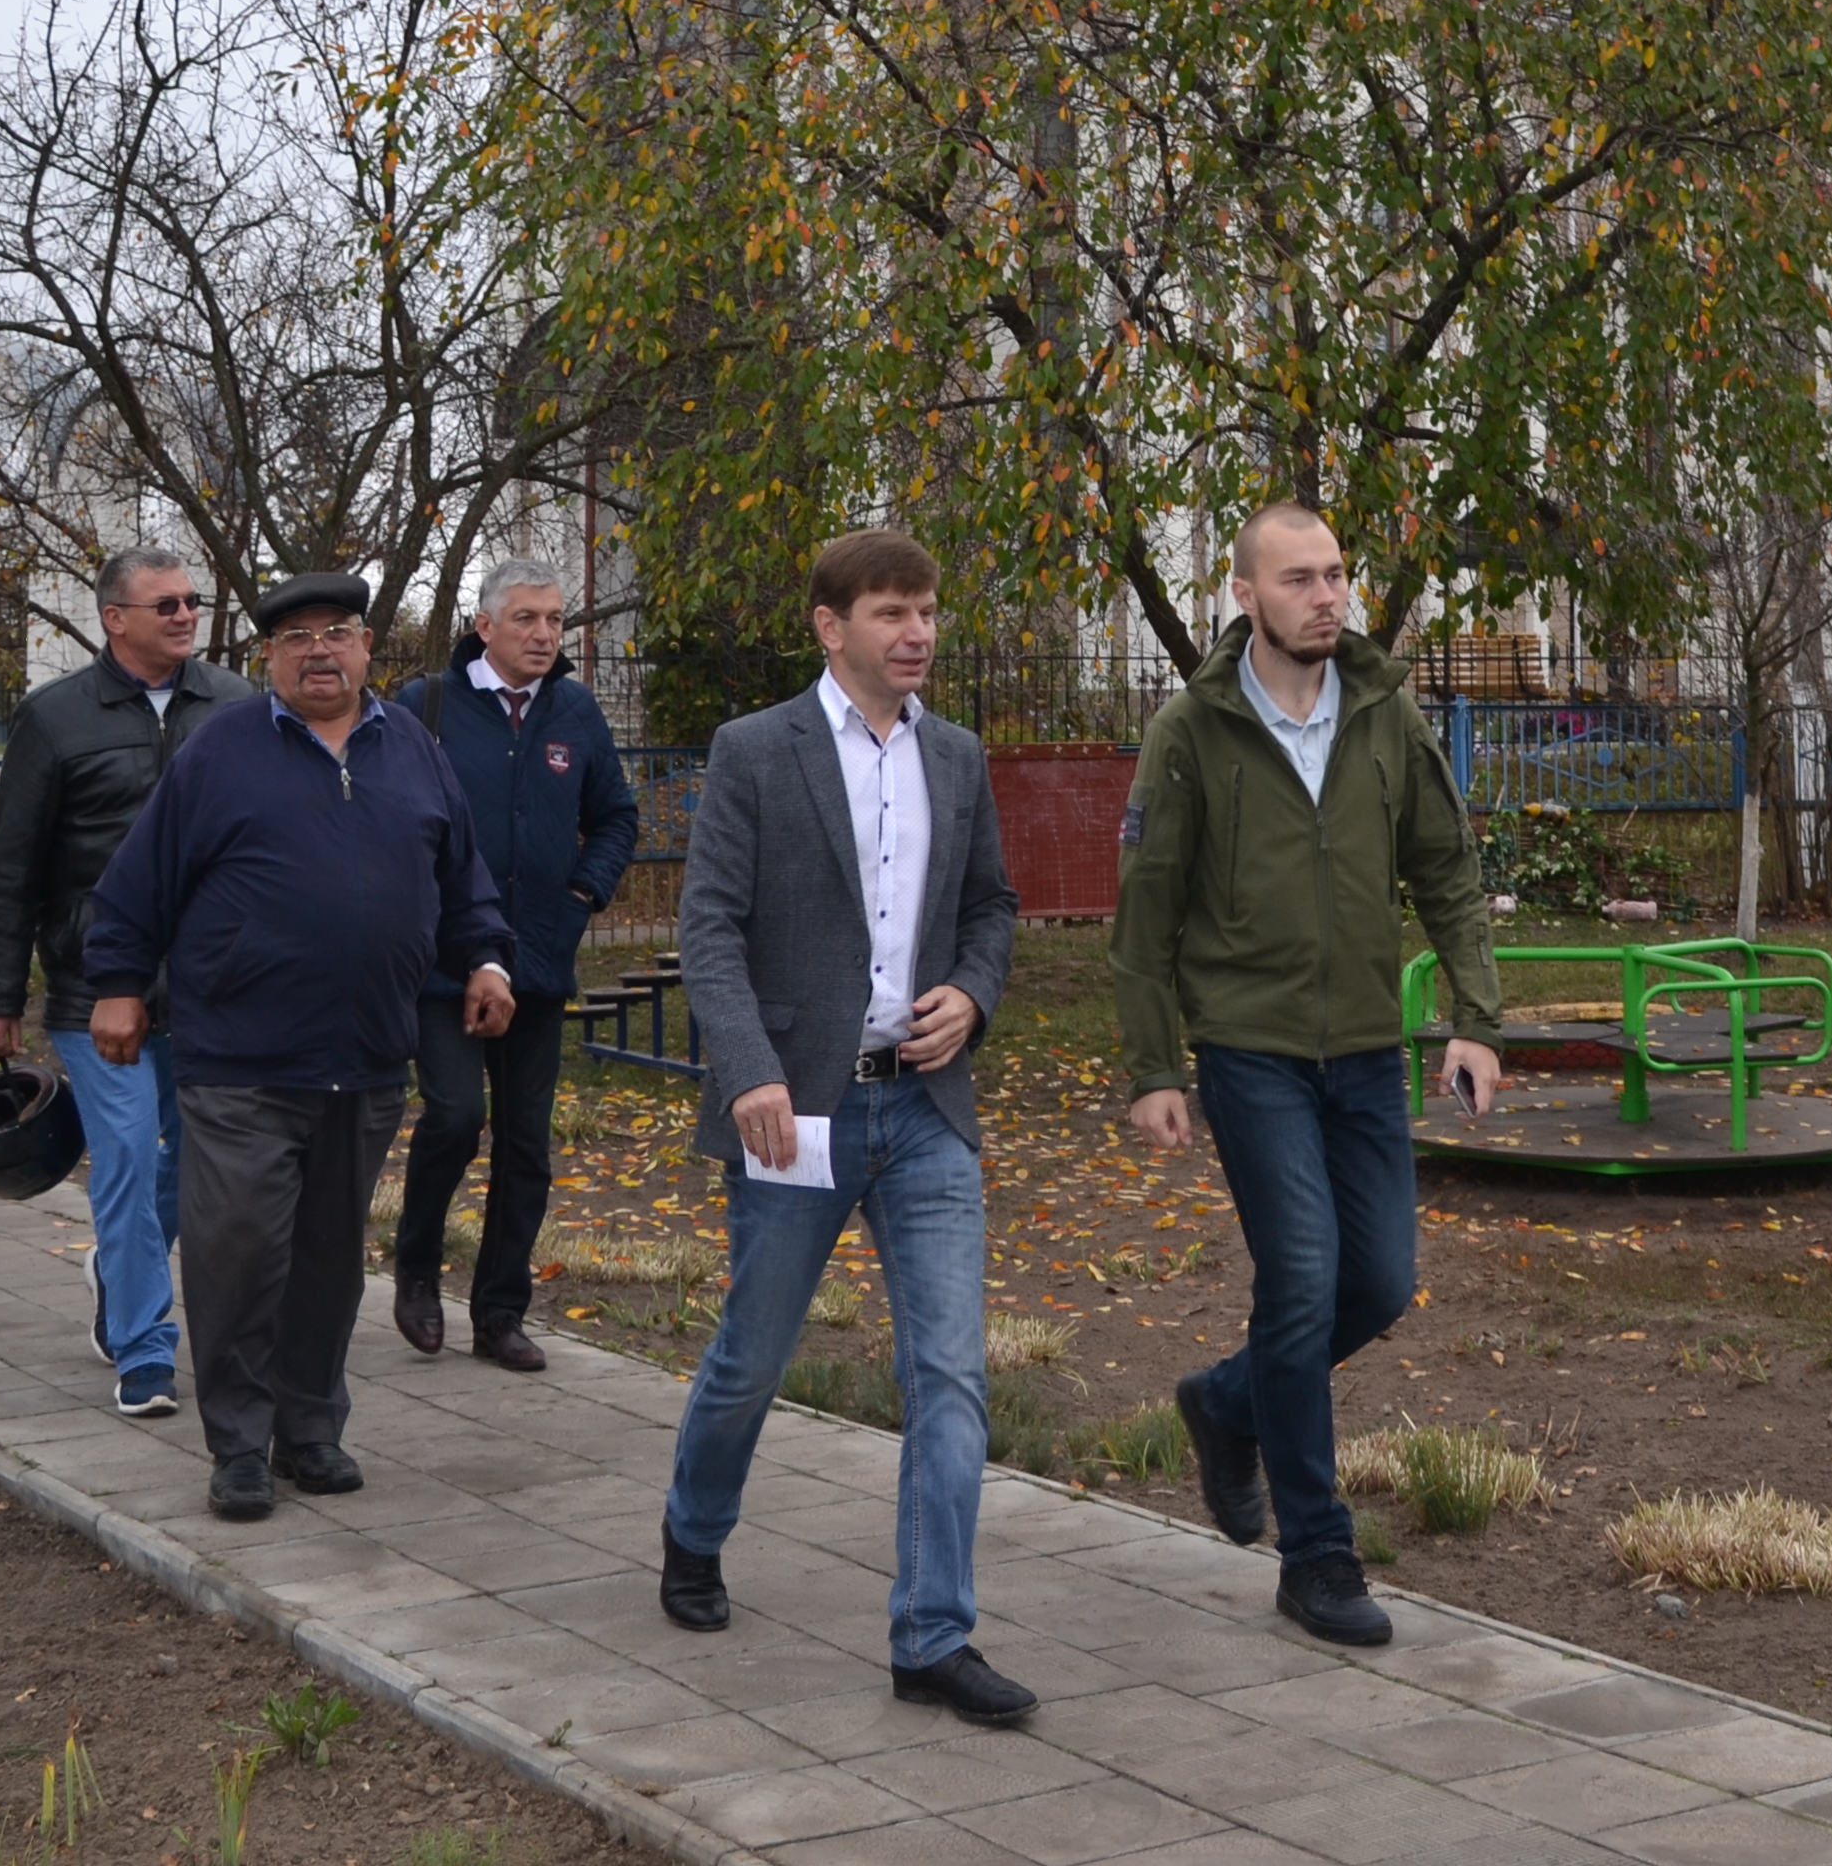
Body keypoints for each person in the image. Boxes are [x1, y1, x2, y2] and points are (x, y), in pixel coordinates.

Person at [656, 529, 1031, 1726]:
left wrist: (971, 993)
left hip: (923, 1109)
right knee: (753, 1357)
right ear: (832, 626)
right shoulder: (756, 752)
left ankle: (932, 1636)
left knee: (949, 1375)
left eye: (926, 611)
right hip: (797, 1117)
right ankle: (693, 1530)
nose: (917, 632)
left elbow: (991, 907)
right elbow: (707, 927)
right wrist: (751, 1072)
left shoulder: (959, 758)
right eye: (890, 613)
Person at [1115, 501, 1503, 1648]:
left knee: (1376, 1283)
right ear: (1244, 596)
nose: (1327, 596)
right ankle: (1318, 1554)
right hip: (1250, 1050)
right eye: (1299, 579)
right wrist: (1152, 1065)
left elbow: (1450, 870)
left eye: (1336, 575)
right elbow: (1144, 918)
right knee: (1300, 1278)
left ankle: (1227, 1403)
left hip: (1367, 1049)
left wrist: (1477, 1021)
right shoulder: (1191, 732)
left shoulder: (1386, 713)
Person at [79, 572, 515, 1521]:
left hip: (362, 1061)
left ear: (368, 647)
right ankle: (238, 1443)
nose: (321, 650)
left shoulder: (414, 751)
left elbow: (462, 877)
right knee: (238, 1256)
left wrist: (486, 961)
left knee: (326, 1259)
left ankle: (310, 1430)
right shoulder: (220, 752)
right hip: (240, 1060)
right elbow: (134, 885)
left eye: (340, 633)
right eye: (297, 638)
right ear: (268, 659)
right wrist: (116, 985)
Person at [0, 546, 249, 1422]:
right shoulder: (56, 720)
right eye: (162, 603)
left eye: (191, 601)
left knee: (200, 1165)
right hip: (97, 988)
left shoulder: (236, 709)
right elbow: (12, 866)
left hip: (211, 985)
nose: (182, 615)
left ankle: (117, 1267)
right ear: (113, 618)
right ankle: (145, 1351)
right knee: (126, 1157)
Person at [392, 559, 643, 1370]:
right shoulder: (424, 707)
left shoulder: (573, 711)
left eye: (556, 621)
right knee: (457, 1116)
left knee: (527, 1143)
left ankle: (500, 1312)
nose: (544, 635)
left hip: (537, 960)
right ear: (485, 625)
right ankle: (417, 1272)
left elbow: (616, 818)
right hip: (444, 963)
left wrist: (579, 899)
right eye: (528, 619)